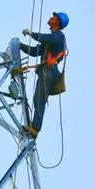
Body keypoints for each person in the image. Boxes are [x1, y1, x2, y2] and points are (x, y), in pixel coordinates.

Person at [16, 11, 69, 139]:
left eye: (53, 17)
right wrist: (20, 46)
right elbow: (35, 51)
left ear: (57, 21)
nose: (50, 18)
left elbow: (44, 38)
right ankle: (34, 126)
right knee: (37, 99)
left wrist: (30, 33)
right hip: (46, 72)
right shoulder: (50, 41)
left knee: (39, 100)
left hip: (50, 72)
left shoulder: (59, 36)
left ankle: (35, 129)